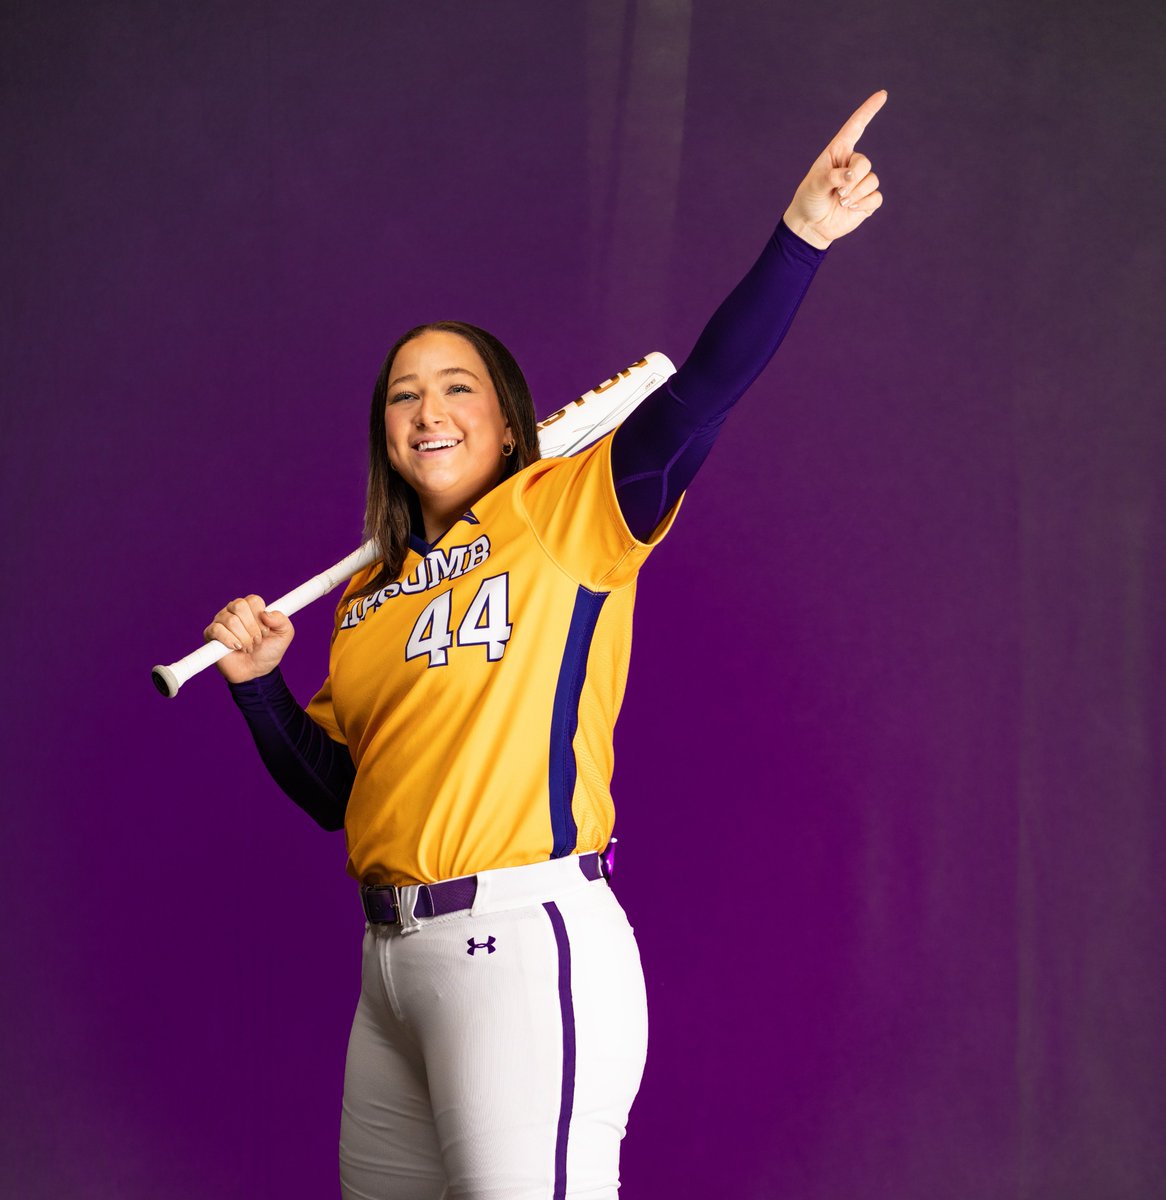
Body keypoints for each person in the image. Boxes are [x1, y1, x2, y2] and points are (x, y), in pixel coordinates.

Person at [205, 92, 887, 1200]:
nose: (426, 409)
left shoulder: (567, 509)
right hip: (389, 972)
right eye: (401, 396)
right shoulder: (368, 595)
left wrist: (798, 239)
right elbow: (339, 792)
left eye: (456, 386)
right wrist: (257, 690)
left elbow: (704, 391)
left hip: (520, 942)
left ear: (508, 418)